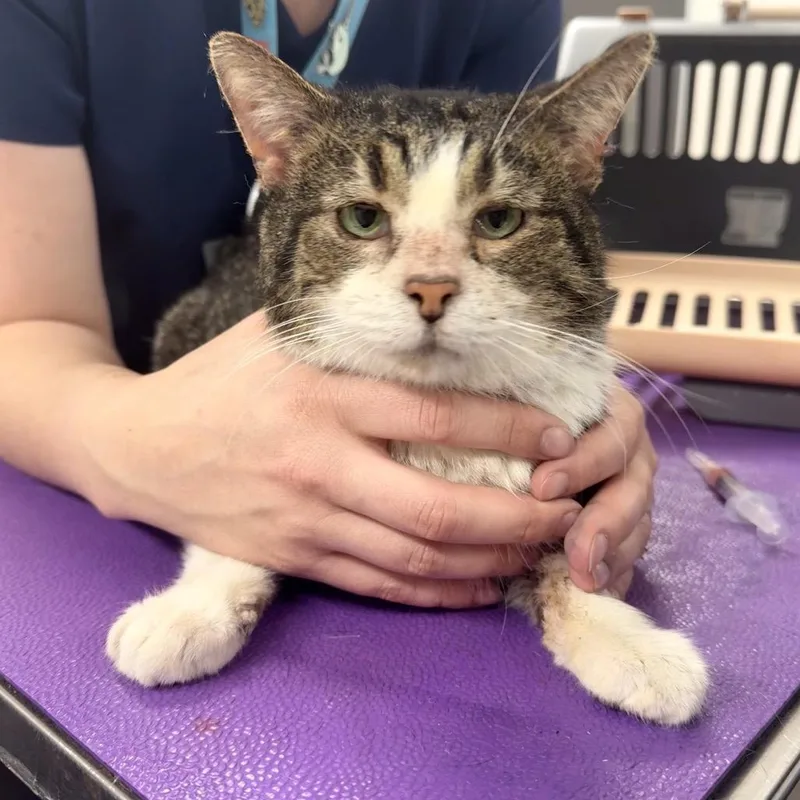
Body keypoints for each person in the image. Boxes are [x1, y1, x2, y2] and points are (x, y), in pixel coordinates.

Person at [0, 0, 656, 609]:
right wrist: (132, 444)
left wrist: (575, 390)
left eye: (499, 218)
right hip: (80, 478)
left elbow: (535, 242)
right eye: (365, 215)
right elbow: (23, 327)